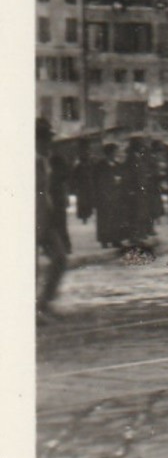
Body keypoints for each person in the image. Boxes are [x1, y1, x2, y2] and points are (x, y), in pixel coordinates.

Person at [36, 118, 68, 316]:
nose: (48, 143)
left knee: (60, 259)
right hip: (29, 221)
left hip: (46, 220)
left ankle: (44, 302)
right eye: (45, 139)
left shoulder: (44, 161)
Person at [94, 142, 123, 248]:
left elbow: (121, 177)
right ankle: (104, 240)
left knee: (116, 218)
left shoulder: (117, 165)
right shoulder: (100, 165)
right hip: (104, 196)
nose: (116, 154)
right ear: (109, 153)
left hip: (116, 195)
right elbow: (99, 181)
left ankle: (116, 239)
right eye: (114, 152)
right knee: (104, 219)